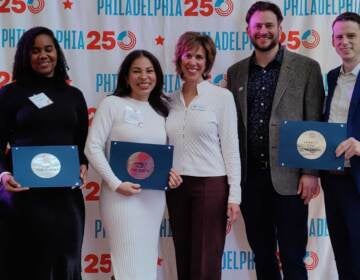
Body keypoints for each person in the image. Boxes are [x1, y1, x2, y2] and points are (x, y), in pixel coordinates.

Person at [227, 2, 324, 279]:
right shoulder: (236, 73)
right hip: (250, 181)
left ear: (280, 28)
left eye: (269, 25)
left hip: (291, 179)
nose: (263, 31)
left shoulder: (306, 68)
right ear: (248, 30)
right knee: (262, 253)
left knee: (293, 255)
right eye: (257, 25)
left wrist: (310, 171)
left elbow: (314, 122)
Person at [84, 49, 182, 280]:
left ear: (157, 76)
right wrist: (116, 184)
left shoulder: (162, 111)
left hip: (153, 199)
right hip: (120, 198)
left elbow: (168, 154)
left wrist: (173, 174)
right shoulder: (112, 104)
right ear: (126, 77)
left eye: (149, 71)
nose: (143, 76)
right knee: (126, 265)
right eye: (136, 71)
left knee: (147, 263)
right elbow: (92, 147)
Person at [0, 26, 88, 280]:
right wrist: (4, 175)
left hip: (65, 199)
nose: (43, 55)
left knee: (65, 262)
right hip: (23, 196)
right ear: (25, 56)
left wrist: (82, 164)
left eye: (48, 49)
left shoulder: (73, 96)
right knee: (26, 264)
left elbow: (81, 145)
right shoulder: (10, 94)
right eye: (35, 50)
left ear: (57, 53)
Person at [165, 31, 241, 280]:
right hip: (176, 187)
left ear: (207, 63)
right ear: (179, 59)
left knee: (205, 261)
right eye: (188, 55)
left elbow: (231, 148)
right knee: (184, 257)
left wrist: (234, 196)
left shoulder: (221, 97)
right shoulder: (169, 101)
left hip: (211, 186)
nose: (193, 62)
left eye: (200, 56)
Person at [321, 12, 360, 279]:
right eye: (339, 37)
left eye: (351, 36)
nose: (344, 41)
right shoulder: (332, 76)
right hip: (333, 179)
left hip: (358, 179)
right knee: (343, 254)